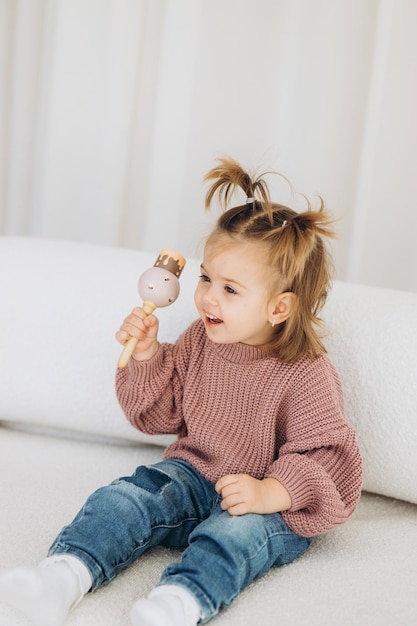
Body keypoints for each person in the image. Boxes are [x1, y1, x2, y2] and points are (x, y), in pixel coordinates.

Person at [0, 157, 362, 626]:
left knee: (233, 539)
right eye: (207, 278)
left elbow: (328, 455)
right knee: (126, 499)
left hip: (262, 500)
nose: (209, 297)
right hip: (194, 474)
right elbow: (158, 416)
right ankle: (62, 575)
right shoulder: (199, 338)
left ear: (279, 307)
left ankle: (179, 602)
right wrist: (149, 355)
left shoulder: (305, 372)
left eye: (231, 290)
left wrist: (272, 491)